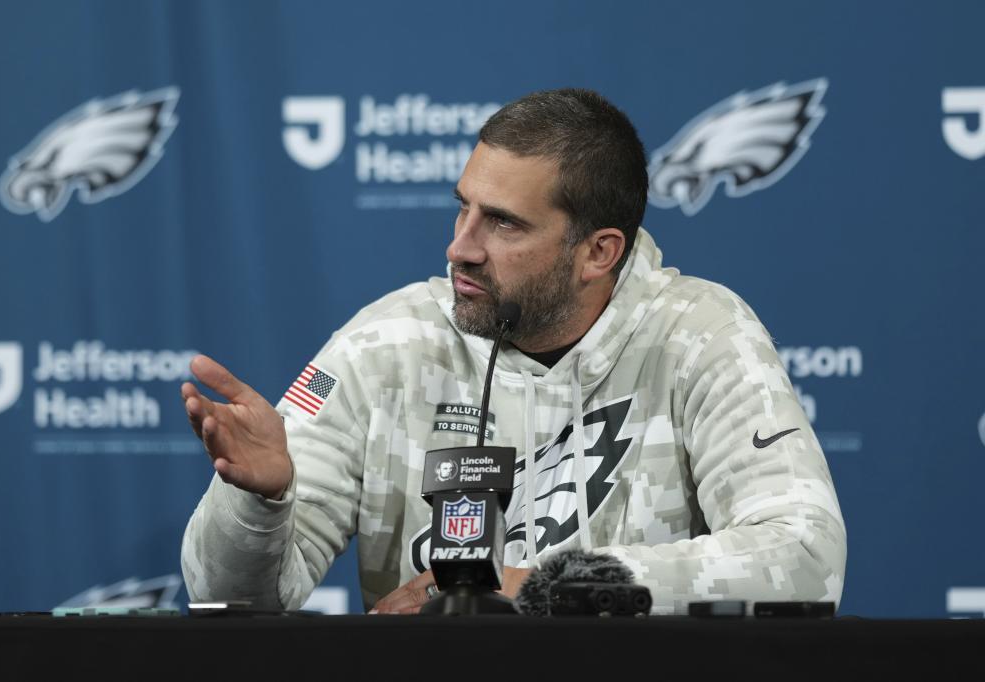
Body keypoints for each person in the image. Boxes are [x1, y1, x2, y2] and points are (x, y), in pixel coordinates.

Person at [180, 88, 846, 615]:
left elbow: (805, 559)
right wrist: (257, 504)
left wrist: (538, 587)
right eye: (462, 208)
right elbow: (232, 604)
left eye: (503, 222)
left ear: (597, 252)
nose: (460, 248)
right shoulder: (384, 344)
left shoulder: (701, 333)